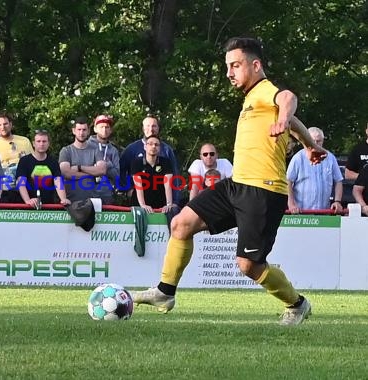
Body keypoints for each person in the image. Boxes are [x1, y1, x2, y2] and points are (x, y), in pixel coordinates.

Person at [131, 37, 327, 325]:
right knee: (180, 224)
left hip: (264, 190)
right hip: (236, 185)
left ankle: (297, 304)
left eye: (235, 65)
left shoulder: (265, 90)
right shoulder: (252, 99)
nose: (229, 73)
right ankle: (165, 291)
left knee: (248, 265)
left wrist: (285, 117)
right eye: (227, 67)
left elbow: (288, 99)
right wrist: (309, 144)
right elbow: (291, 119)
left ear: (256, 65)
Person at [119, 115, 180, 205]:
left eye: (154, 126)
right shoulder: (131, 149)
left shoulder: (166, 150)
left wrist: (174, 201)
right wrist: (127, 190)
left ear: (158, 128)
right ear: (143, 128)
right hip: (138, 200)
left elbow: (174, 176)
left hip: (161, 200)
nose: (151, 129)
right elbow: (121, 170)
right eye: (147, 126)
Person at [287, 127, 343, 213]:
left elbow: (338, 181)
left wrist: (337, 201)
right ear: (307, 140)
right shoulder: (298, 158)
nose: (315, 144)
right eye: (313, 140)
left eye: (319, 141)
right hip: (301, 212)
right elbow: (288, 181)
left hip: (324, 212)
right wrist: (291, 204)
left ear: (323, 141)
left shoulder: (330, 158)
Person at [16, 130, 70, 208]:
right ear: (33, 143)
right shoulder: (24, 161)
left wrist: (63, 199)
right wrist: (28, 200)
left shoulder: (53, 161)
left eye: (44, 141)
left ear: (48, 144)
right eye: (38, 141)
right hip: (28, 206)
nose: (41, 144)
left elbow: (58, 181)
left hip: (48, 205)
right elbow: (21, 183)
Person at [58, 117, 107, 203]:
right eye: (79, 129)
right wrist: (91, 173)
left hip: (92, 200)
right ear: (74, 131)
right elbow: (66, 173)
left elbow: (102, 170)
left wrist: (79, 167)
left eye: (84, 130)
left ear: (88, 131)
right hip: (70, 201)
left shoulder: (95, 149)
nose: (81, 133)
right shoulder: (66, 151)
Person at [0, 112, 34, 203]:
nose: (3, 127)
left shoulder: (24, 141)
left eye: (5, 124)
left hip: (26, 190)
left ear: (11, 124)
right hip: (3, 192)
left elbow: (33, 163)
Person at [130, 135, 174, 213]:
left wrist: (169, 204)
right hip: (139, 205)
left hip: (160, 206)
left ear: (159, 148)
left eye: (156, 144)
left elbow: (168, 184)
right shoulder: (136, 162)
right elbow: (138, 185)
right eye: (150, 144)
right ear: (145, 147)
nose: (153, 146)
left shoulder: (166, 162)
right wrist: (143, 205)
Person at [87, 115, 120, 204]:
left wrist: (107, 166)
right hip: (86, 191)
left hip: (107, 194)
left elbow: (117, 175)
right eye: (101, 127)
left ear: (110, 130)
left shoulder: (113, 150)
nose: (104, 130)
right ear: (95, 129)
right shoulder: (86, 146)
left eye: (107, 127)